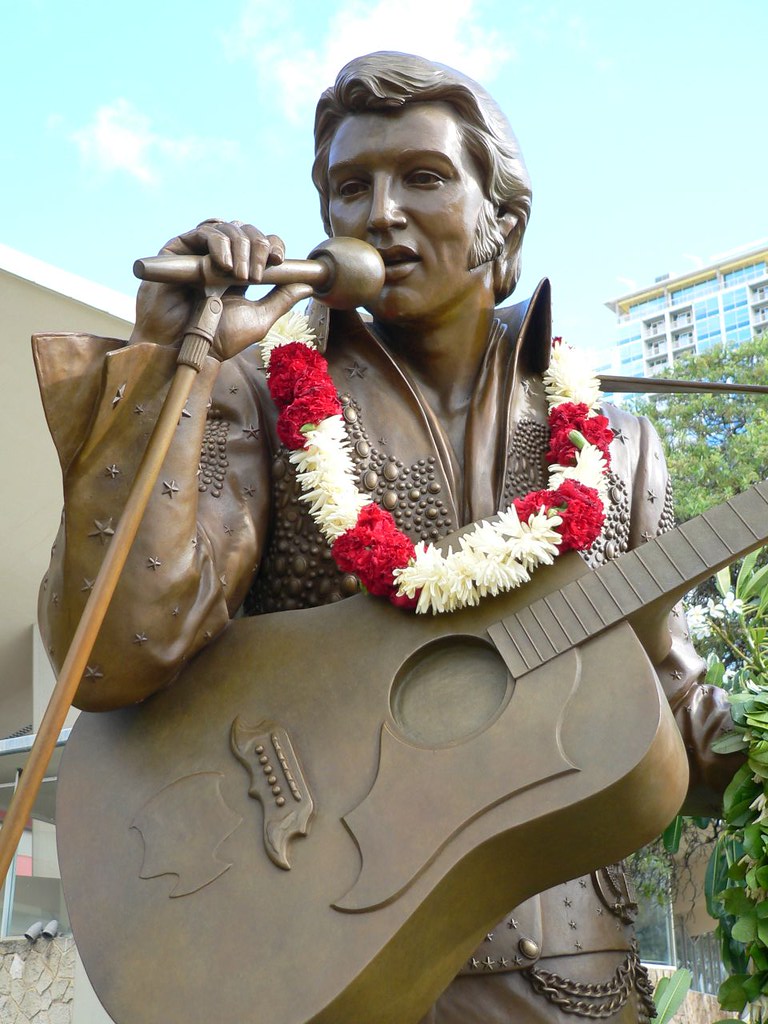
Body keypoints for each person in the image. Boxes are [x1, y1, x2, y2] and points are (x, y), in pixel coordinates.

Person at [36, 52, 739, 1024]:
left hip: (577, 981)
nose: (382, 212)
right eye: (350, 187)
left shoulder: (615, 450)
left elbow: (682, 729)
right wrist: (170, 369)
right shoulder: (265, 404)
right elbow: (116, 655)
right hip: (318, 959)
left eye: (424, 177)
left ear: (505, 223)